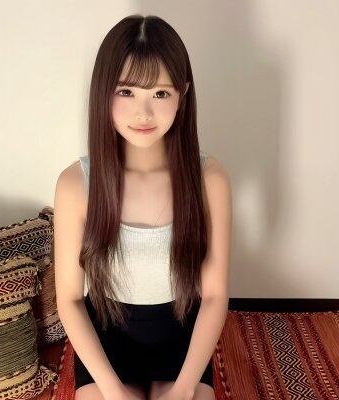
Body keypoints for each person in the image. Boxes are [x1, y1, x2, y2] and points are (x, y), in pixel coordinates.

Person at [54, 14, 232, 400]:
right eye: (126, 91)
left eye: (160, 94)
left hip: (183, 342)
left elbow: (215, 295)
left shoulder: (210, 179)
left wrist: (184, 389)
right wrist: (114, 391)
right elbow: (69, 299)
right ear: (103, 92)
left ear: (183, 94)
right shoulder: (75, 185)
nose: (143, 113)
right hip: (107, 346)